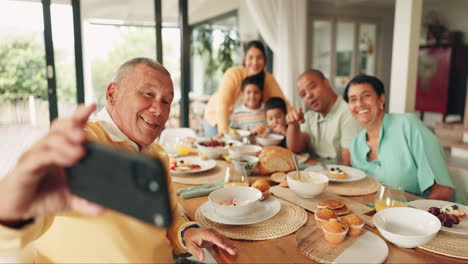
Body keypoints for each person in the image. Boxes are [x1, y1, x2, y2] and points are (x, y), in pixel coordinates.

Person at [0, 58, 236, 263]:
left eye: (166, 101)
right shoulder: (81, 148)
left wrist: (186, 232)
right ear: (112, 94)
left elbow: (169, 215)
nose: (159, 110)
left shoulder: (157, 155)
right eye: (148, 94)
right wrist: (9, 210)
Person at [344, 74, 462, 202]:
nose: (359, 103)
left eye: (366, 96)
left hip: (429, 214)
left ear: (381, 99)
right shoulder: (355, 145)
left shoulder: (408, 125)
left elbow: (443, 189)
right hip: (380, 214)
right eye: (353, 99)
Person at [203, 40, 290, 137]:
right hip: (218, 118)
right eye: (251, 57)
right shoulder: (233, 74)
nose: (255, 62)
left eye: (259, 58)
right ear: (245, 59)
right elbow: (223, 104)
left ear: (265, 60)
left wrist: (293, 120)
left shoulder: (268, 79)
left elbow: (283, 103)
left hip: (244, 123)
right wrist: (223, 131)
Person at [286, 69, 362, 165]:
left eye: (312, 87)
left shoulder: (348, 113)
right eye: (303, 94)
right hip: (313, 174)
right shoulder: (310, 116)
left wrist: (310, 162)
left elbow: (347, 165)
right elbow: (295, 149)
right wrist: (293, 125)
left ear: (326, 83)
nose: (309, 95)